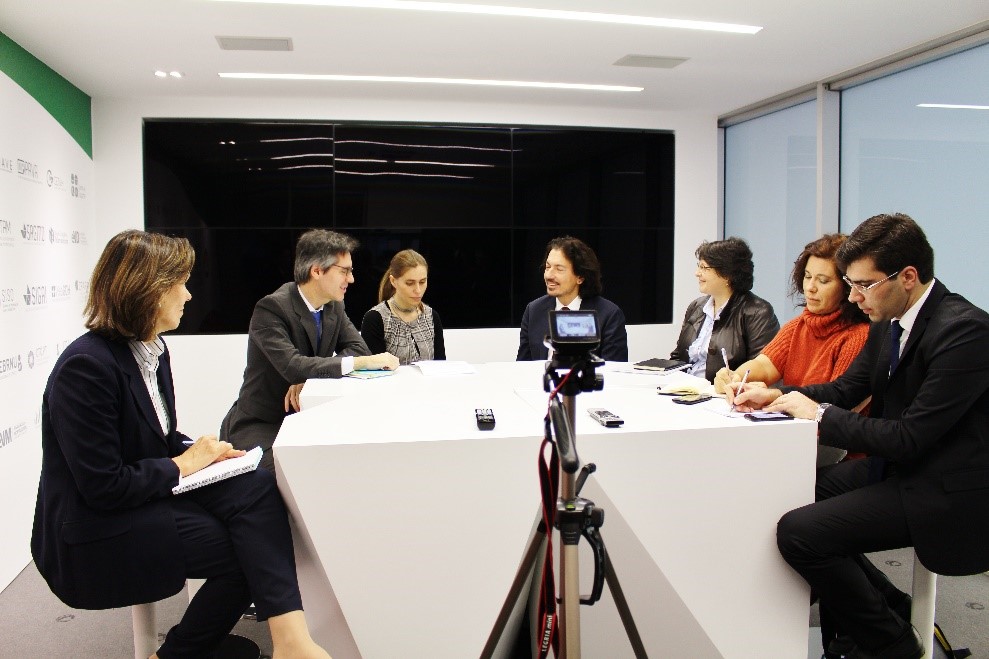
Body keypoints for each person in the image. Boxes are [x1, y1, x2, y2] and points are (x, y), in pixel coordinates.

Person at [30, 230, 331, 659]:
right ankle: (178, 654)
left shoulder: (152, 349)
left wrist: (206, 453)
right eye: (180, 284)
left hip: (140, 496)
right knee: (253, 549)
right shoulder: (85, 368)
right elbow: (103, 485)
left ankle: (289, 639)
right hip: (92, 529)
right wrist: (186, 464)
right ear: (148, 290)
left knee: (257, 486)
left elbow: (158, 438)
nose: (189, 295)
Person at [731, 213, 989, 659]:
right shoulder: (889, 323)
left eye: (863, 285)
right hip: (898, 469)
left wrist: (817, 412)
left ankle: (892, 646)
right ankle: (884, 615)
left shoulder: (965, 331)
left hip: (942, 487)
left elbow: (910, 437)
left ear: (908, 277)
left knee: (801, 533)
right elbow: (847, 389)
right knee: (783, 498)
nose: (852, 297)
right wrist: (775, 394)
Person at [221, 229, 398, 472]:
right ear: (317, 271)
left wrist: (308, 376)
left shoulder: (334, 305)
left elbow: (357, 347)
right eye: (344, 271)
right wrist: (359, 364)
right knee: (302, 473)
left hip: (305, 421)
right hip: (263, 425)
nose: (352, 279)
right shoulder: (272, 308)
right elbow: (293, 366)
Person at [713, 233, 869, 393]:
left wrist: (775, 396)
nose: (810, 287)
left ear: (847, 287)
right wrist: (735, 377)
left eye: (823, 281)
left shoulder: (858, 336)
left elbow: (837, 399)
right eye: (807, 277)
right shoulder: (798, 325)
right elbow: (765, 366)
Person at [671, 237, 779, 382]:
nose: (697, 273)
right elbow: (678, 357)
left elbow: (761, 369)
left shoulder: (758, 312)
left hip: (722, 395)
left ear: (727, 274)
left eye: (704, 268)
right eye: (699, 266)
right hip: (684, 390)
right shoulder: (696, 307)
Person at [517, 236, 628, 362]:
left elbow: (614, 372)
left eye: (559, 269)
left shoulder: (609, 315)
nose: (549, 275)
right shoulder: (533, 310)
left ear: (580, 277)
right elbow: (522, 366)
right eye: (548, 267)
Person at [360, 249, 446, 364]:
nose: (418, 290)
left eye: (422, 282)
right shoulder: (375, 319)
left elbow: (441, 367)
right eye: (409, 283)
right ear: (393, 281)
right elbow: (374, 372)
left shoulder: (432, 316)